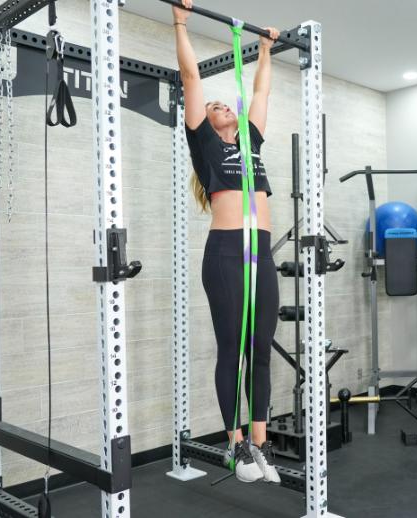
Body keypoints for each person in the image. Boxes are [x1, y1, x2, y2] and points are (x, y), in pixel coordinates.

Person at [173, 0, 281, 484]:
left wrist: (264, 48)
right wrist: (180, 22)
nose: (220, 105)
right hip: (225, 253)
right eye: (214, 106)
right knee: (232, 350)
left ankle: (261, 444)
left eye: (224, 103)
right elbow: (192, 80)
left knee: (261, 346)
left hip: (262, 252)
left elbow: (260, 88)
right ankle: (234, 446)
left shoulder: (252, 140)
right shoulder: (206, 145)